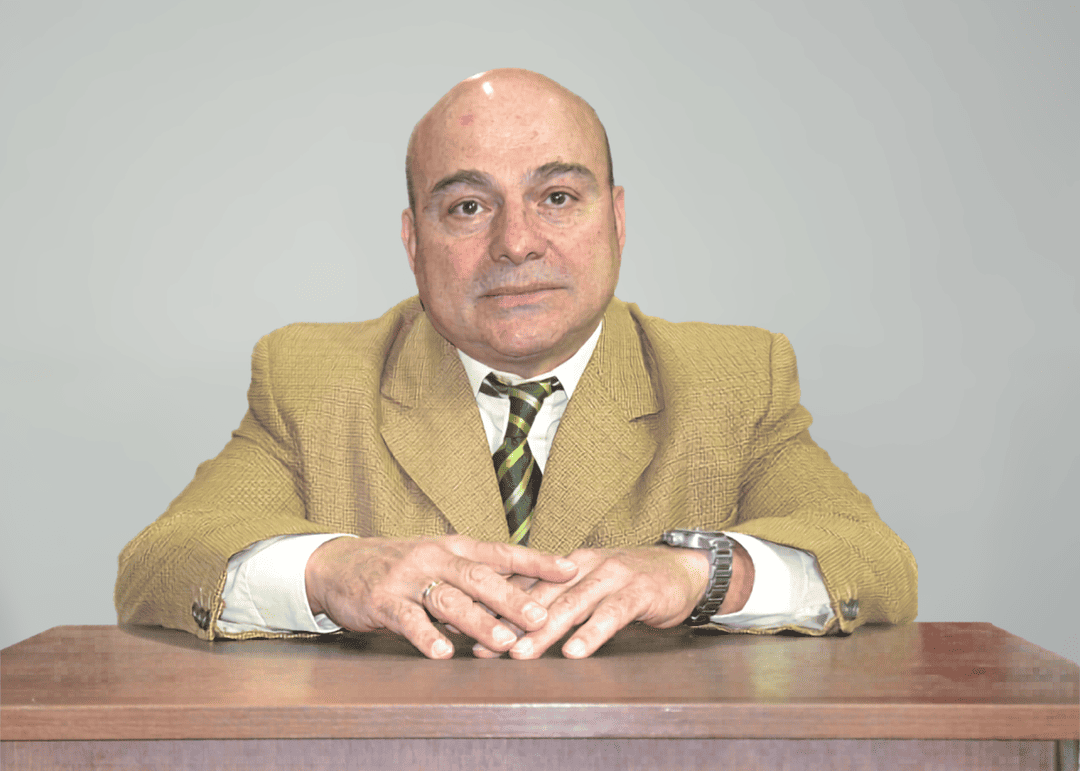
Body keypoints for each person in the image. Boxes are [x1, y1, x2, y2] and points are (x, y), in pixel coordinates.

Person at [115, 69, 917, 660]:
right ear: (413, 241)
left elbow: (874, 561)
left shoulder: (732, 379)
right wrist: (331, 570)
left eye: (557, 197)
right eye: (468, 207)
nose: (516, 243)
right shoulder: (313, 379)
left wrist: (702, 574)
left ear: (617, 218)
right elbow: (162, 563)